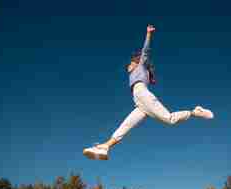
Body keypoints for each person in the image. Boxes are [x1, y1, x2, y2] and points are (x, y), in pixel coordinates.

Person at [83, 25, 214, 160]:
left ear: (137, 63)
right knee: (126, 125)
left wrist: (148, 34)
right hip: (139, 102)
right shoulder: (136, 72)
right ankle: (105, 147)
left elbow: (145, 51)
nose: (128, 66)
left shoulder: (140, 65)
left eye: (130, 64)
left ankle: (194, 112)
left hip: (142, 94)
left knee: (170, 119)